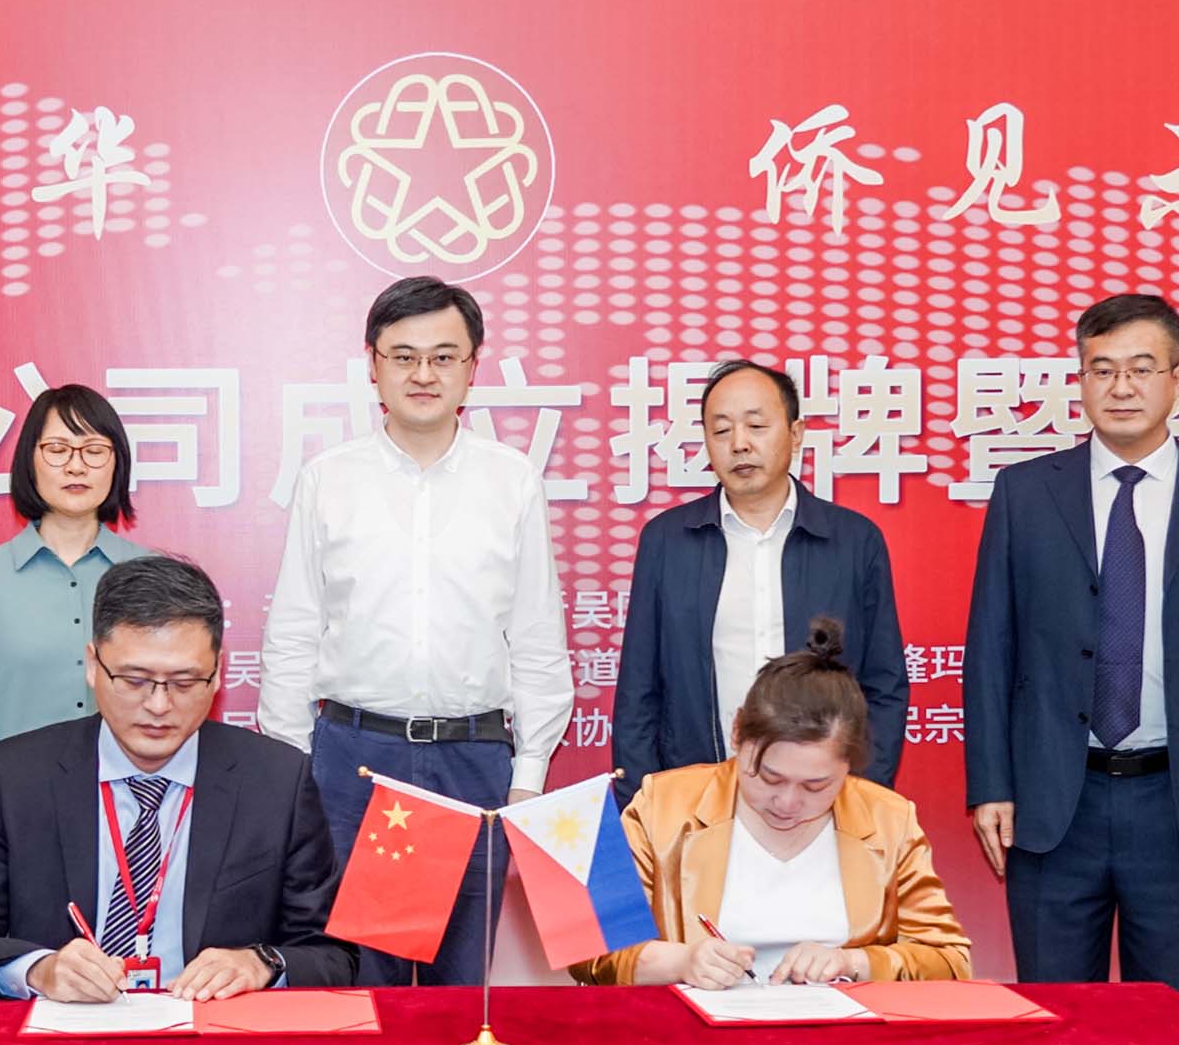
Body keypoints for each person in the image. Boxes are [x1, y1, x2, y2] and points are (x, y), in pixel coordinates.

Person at [962, 291, 1179, 1008]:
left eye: (1141, 369)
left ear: (1177, 379)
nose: (1122, 388)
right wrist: (990, 785)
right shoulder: (1025, 494)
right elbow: (990, 651)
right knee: (1053, 1025)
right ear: (1080, 381)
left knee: (1172, 1029)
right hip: (1053, 804)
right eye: (1102, 370)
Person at [259, 275, 573, 984]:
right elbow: (295, 632)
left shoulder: (511, 480)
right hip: (354, 759)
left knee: (461, 987)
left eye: (443, 356)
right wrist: (294, 770)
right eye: (403, 356)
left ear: (472, 367)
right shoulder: (329, 479)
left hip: (473, 759)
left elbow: (535, 638)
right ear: (372, 365)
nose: (423, 374)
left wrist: (528, 776)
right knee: (360, 977)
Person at [0, 553, 355, 999]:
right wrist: (38, 970)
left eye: (185, 682)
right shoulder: (15, 777)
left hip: (209, 1031)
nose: (159, 706)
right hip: (67, 1032)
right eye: (134, 680)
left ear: (218, 672)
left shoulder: (277, 781)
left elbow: (334, 955)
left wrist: (262, 962)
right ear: (93, 665)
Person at [575, 619, 970, 987]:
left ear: (849, 767)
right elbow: (589, 952)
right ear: (737, 733)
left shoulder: (888, 819)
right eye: (769, 777)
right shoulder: (663, 806)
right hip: (699, 1031)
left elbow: (949, 961)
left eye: (816, 786)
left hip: (842, 1032)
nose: (787, 802)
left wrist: (854, 962)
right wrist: (682, 962)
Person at [614, 356, 907, 793]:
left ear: (796, 433)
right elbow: (639, 691)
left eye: (756, 425)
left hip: (820, 797)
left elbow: (884, 686)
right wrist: (645, 802)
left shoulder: (853, 541)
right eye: (721, 430)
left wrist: (858, 793)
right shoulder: (668, 541)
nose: (739, 444)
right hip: (698, 794)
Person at [0, 383, 149, 784]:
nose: (76, 466)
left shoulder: (149, 573)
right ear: (30, 461)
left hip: (126, 801)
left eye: (94, 450)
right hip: (12, 799)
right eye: (57, 449)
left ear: (117, 462)